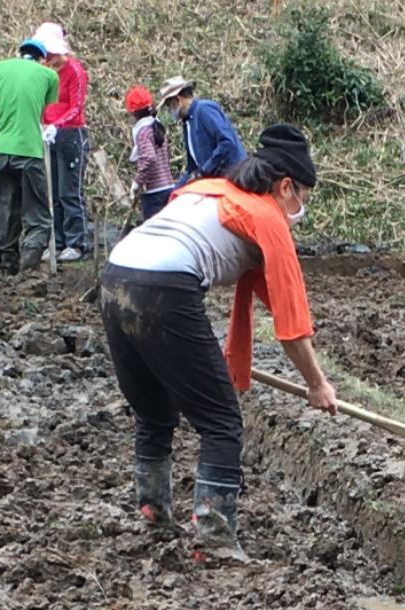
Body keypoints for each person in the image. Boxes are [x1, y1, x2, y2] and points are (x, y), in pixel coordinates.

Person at [100, 124, 338, 561]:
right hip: (166, 285)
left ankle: (153, 510)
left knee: (154, 411)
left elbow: (272, 298)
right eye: (303, 196)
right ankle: (214, 539)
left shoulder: (207, 190)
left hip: (116, 275)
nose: (301, 207)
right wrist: (317, 383)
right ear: (286, 186)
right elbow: (291, 323)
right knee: (222, 422)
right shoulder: (267, 217)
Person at [0, 37, 60, 274]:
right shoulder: (49, 76)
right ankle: (28, 268)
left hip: (1, 150)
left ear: (18, 53)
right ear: (42, 59)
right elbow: (39, 110)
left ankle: (6, 263)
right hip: (29, 150)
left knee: (8, 209)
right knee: (38, 213)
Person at [33, 23, 91, 263]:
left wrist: (57, 124)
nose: (49, 60)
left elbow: (76, 106)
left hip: (71, 133)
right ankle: (56, 240)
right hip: (48, 133)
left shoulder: (75, 71)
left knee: (69, 190)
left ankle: (76, 241)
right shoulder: (46, 73)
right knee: (53, 191)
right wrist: (41, 123)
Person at [157, 76, 246, 188]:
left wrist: (204, 171)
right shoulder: (188, 122)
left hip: (233, 178)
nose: (170, 111)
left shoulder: (203, 109)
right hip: (215, 182)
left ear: (177, 100)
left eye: (169, 106)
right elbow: (193, 167)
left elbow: (227, 142)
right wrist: (174, 191)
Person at [123, 85, 176, 221]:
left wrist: (137, 182)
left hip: (154, 194)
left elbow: (150, 159)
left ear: (133, 112)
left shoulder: (143, 132)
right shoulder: (156, 126)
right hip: (168, 188)